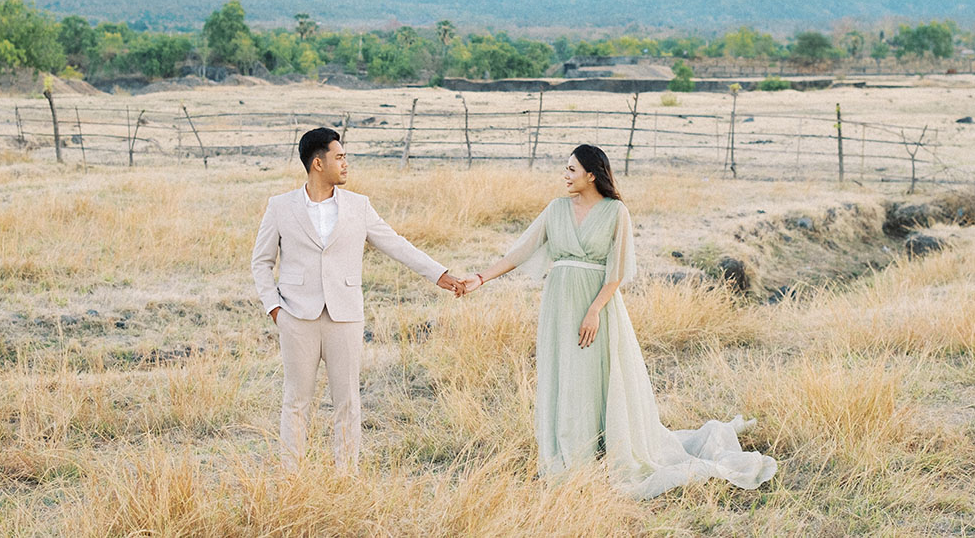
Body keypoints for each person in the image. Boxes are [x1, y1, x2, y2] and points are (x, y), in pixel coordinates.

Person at [460, 144, 776, 497]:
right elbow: (520, 251)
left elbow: (618, 270)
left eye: (571, 170)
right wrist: (480, 277)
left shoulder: (615, 212)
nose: (564, 176)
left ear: (591, 175)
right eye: (565, 169)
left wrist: (594, 310)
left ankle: (601, 448)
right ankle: (567, 455)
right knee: (563, 372)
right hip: (558, 304)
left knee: (594, 373)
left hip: (597, 304)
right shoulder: (556, 209)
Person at [252, 126, 463, 467]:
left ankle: (345, 476)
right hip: (296, 317)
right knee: (295, 401)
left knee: (347, 401)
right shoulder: (280, 207)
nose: (346, 164)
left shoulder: (359, 206)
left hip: (345, 315)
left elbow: (396, 244)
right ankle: (291, 479)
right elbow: (261, 262)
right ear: (318, 163)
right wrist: (275, 309)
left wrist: (440, 274)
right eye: (340, 157)